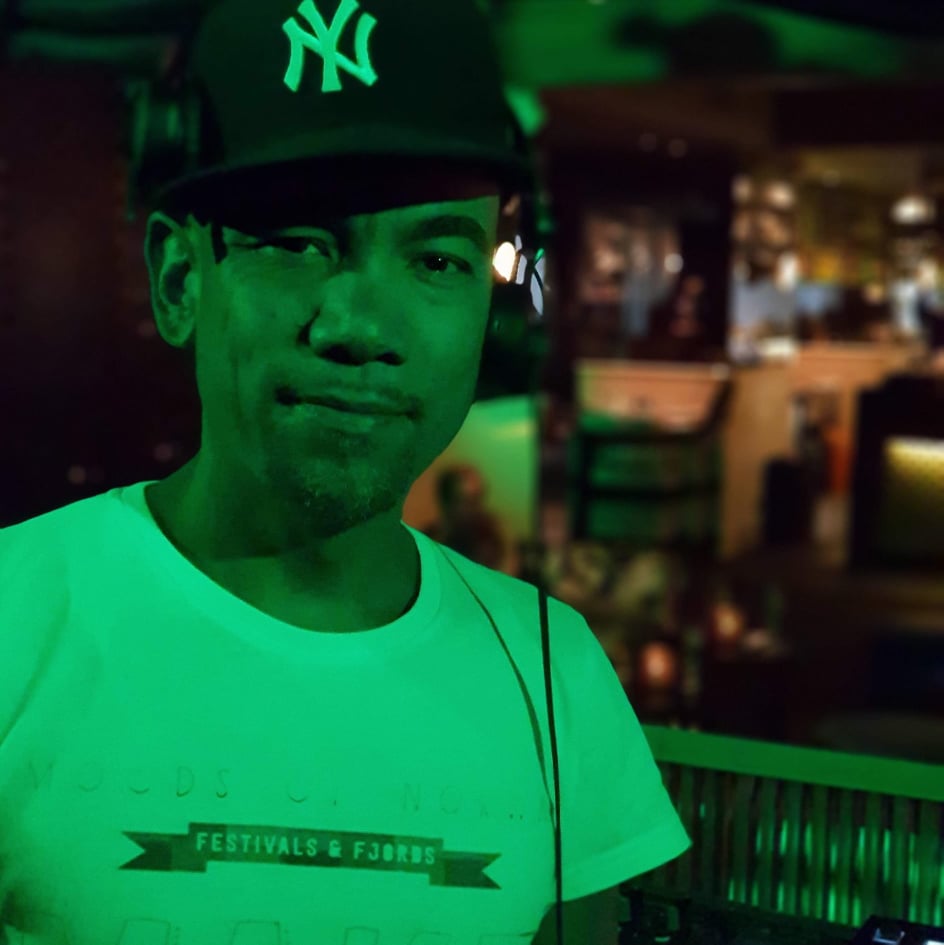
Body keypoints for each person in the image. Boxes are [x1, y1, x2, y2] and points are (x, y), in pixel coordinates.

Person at [0, 1, 691, 942]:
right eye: (296, 243)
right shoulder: (17, 614)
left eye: (436, 259)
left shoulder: (554, 667)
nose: (361, 327)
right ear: (180, 280)